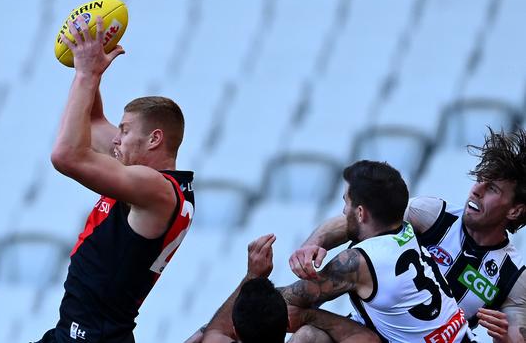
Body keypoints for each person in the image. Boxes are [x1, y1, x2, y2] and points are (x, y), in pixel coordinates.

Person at [35, 14, 195, 343]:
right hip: (77, 333)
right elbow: (91, 123)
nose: (116, 139)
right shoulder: (151, 179)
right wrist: (88, 59)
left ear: (154, 139)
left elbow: (65, 156)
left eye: (124, 130)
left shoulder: (155, 190)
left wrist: (86, 74)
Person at [291, 129, 526, 342]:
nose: (476, 190)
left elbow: (517, 338)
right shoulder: (434, 215)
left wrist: (505, 339)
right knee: (307, 337)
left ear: (515, 210)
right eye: (479, 181)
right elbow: (363, 219)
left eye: (492, 188)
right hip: (367, 330)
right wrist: (314, 244)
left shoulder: (513, 276)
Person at [280, 160, 472, 342]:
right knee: (311, 333)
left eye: (346, 202)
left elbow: (286, 301)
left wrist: (255, 276)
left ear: (361, 213)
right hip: (465, 338)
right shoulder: (406, 231)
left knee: (304, 331)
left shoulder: (359, 261)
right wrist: (313, 244)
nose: (343, 211)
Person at [193, 234, 381, 343]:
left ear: (235, 330)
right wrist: (308, 316)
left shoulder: (216, 338)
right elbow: (369, 339)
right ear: (287, 326)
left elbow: (213, 332)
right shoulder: (305, 338)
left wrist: (252, 274)